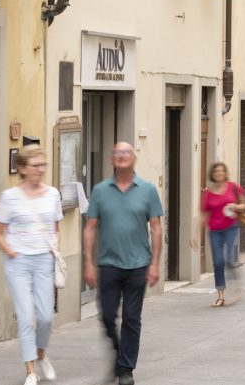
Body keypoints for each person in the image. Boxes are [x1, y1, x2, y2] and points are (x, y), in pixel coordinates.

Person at [84, 142, 164, 385]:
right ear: (112, 159)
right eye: (117, 152)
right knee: (107, 316)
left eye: (125, 152)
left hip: (139, 264)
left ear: (134, 159)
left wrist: (155, 263)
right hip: (108, 263)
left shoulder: (148, 190)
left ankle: (126, 369)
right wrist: (88, 262)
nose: (121, 156)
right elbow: (90, 227)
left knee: (131, 317)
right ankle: (120, 353)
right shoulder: (100, 190)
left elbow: (156, 228)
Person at [0, 146, 62, 385]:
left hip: (44, 259)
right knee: (25, 316)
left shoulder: (53, 194)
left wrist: (54, 249)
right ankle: (30, 371)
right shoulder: (9, 197)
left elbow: (55, 227)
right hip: (18, 262)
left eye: (43, 165)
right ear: (22, 168)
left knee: (45, 317)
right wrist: (12, 251)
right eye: (35, 165)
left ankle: (41, 354)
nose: (40, 170)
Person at [190, 162, 245, 308]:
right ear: (213, 174)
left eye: (221, 171)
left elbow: (244, 205)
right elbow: (203, 215)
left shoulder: (233, 187)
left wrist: (235, 206)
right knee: (218, 262)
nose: (219, 173)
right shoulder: (208, 193)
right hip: (214, 231)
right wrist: (194, 235)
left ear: (225, 173)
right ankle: (221, 295)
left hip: (231, 227)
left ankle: (235, 288)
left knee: (229, 258)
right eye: (216, 171)